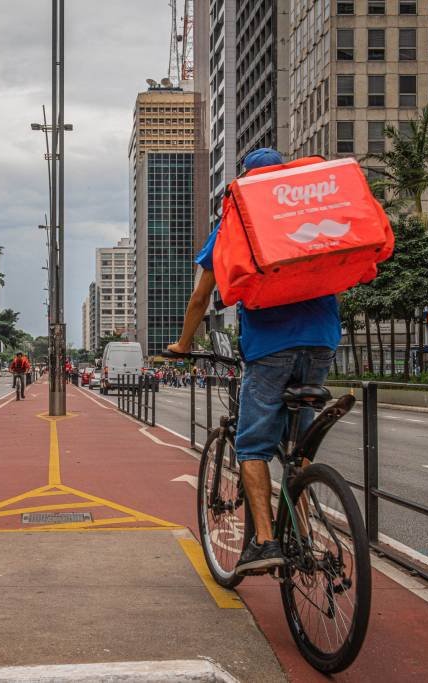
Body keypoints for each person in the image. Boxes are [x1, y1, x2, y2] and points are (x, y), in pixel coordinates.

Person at [166, 147, 341, 575]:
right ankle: (301, 532)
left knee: (252, 446)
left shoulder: (237, 220)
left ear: (245, 181)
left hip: (271, 350)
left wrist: (184, 344)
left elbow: (200, 296)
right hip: (323, 342)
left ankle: (265, 543)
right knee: (296, 451)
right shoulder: (308, 210)